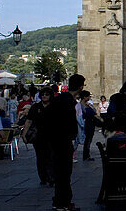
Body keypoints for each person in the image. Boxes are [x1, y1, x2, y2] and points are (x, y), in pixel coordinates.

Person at [43, 74, 85, 211]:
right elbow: (69, 123)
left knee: (61, 172)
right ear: (80, 87)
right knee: (64, 172)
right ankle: (63, 203)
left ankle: (61, 201)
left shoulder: (59, 99)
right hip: (63, 140)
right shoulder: (68, 102)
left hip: (55, 140)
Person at [23, 87, 55, 186]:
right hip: (39, 136)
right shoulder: (35, 107)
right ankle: (43, 177)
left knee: (51, 156)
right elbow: (29, 121)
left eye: (47, 94)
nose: (44, 96)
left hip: (52, 135)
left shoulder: (55, 106)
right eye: (43, 94)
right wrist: (24, 133)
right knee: (41, 157)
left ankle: (51, 177)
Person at [78, 92, 101, 161]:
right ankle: (86, 155)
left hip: (91, 124)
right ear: (84, 97)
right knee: (87, 140)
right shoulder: (80, 105)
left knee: (89, 140)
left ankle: (87, 154)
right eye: (88, 96)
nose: (89, 98)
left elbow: (94, 111)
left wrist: (91, 106)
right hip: (86, 124)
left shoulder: (88, 105)